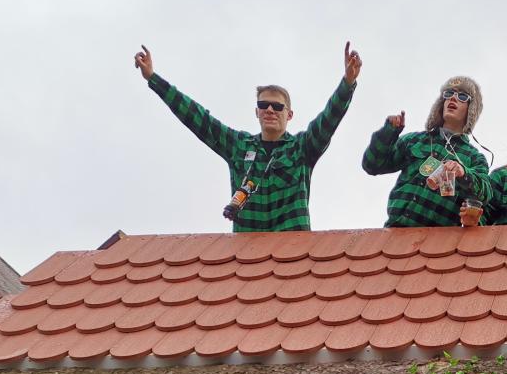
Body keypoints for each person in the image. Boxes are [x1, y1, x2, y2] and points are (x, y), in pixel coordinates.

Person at [133, 41, 362, 232]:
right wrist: (153, 78)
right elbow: (198, 118)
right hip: (247, 260)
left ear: (289, 114)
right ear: (256, 112)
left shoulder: (301, 148)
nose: (270, 110)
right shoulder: (239, 146)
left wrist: (348, 83)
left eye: (277, 106)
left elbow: (329, 119)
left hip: (293, 256)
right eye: (263, 105)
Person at [361, 76, 492, 227]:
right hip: (395, 235)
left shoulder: (474, 157)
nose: (453, 99)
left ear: (471, 109)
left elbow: (485, 193)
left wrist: (463, 172)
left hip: (437, 244)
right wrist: (388, 132)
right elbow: (372, 165)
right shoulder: (414, 140)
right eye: (448, 94)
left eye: (462, 96)